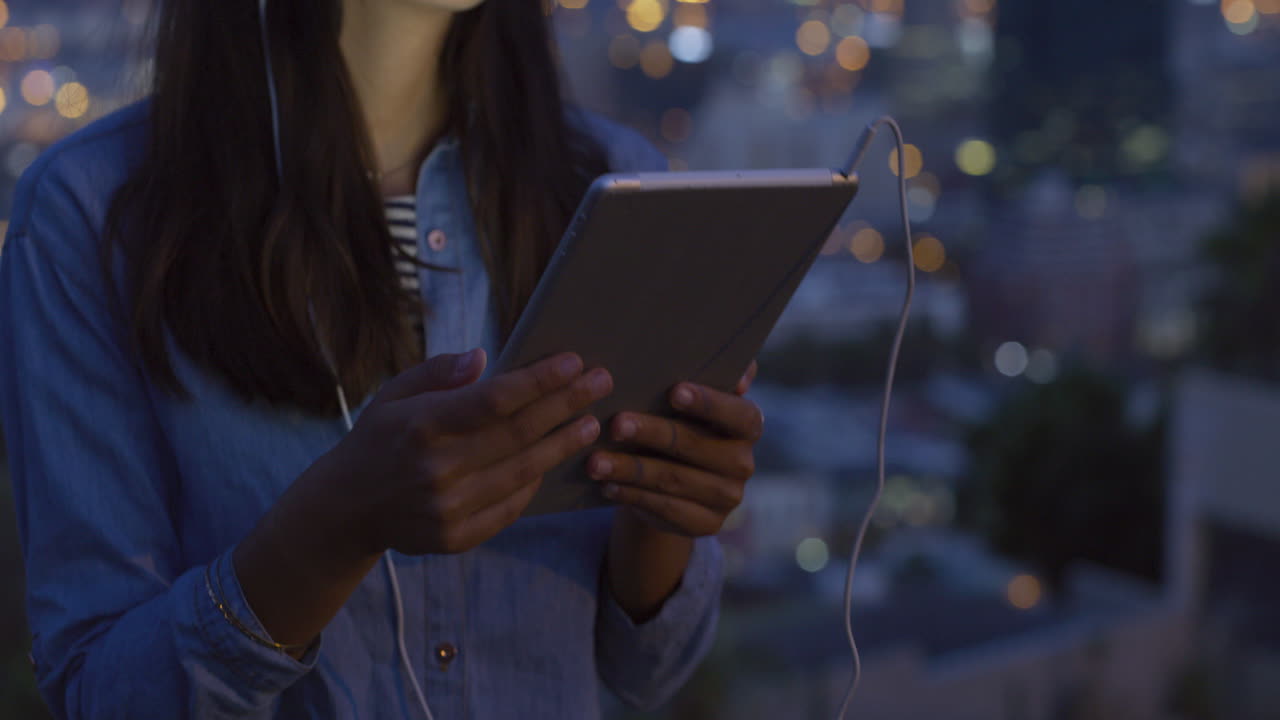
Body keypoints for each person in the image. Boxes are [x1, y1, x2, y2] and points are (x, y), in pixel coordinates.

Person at [0, 0, 765, 718]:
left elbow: (648, 668)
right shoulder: (94, 216)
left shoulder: (610, 184)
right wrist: (333, 529)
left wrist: (665, 505)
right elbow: (101, 689)